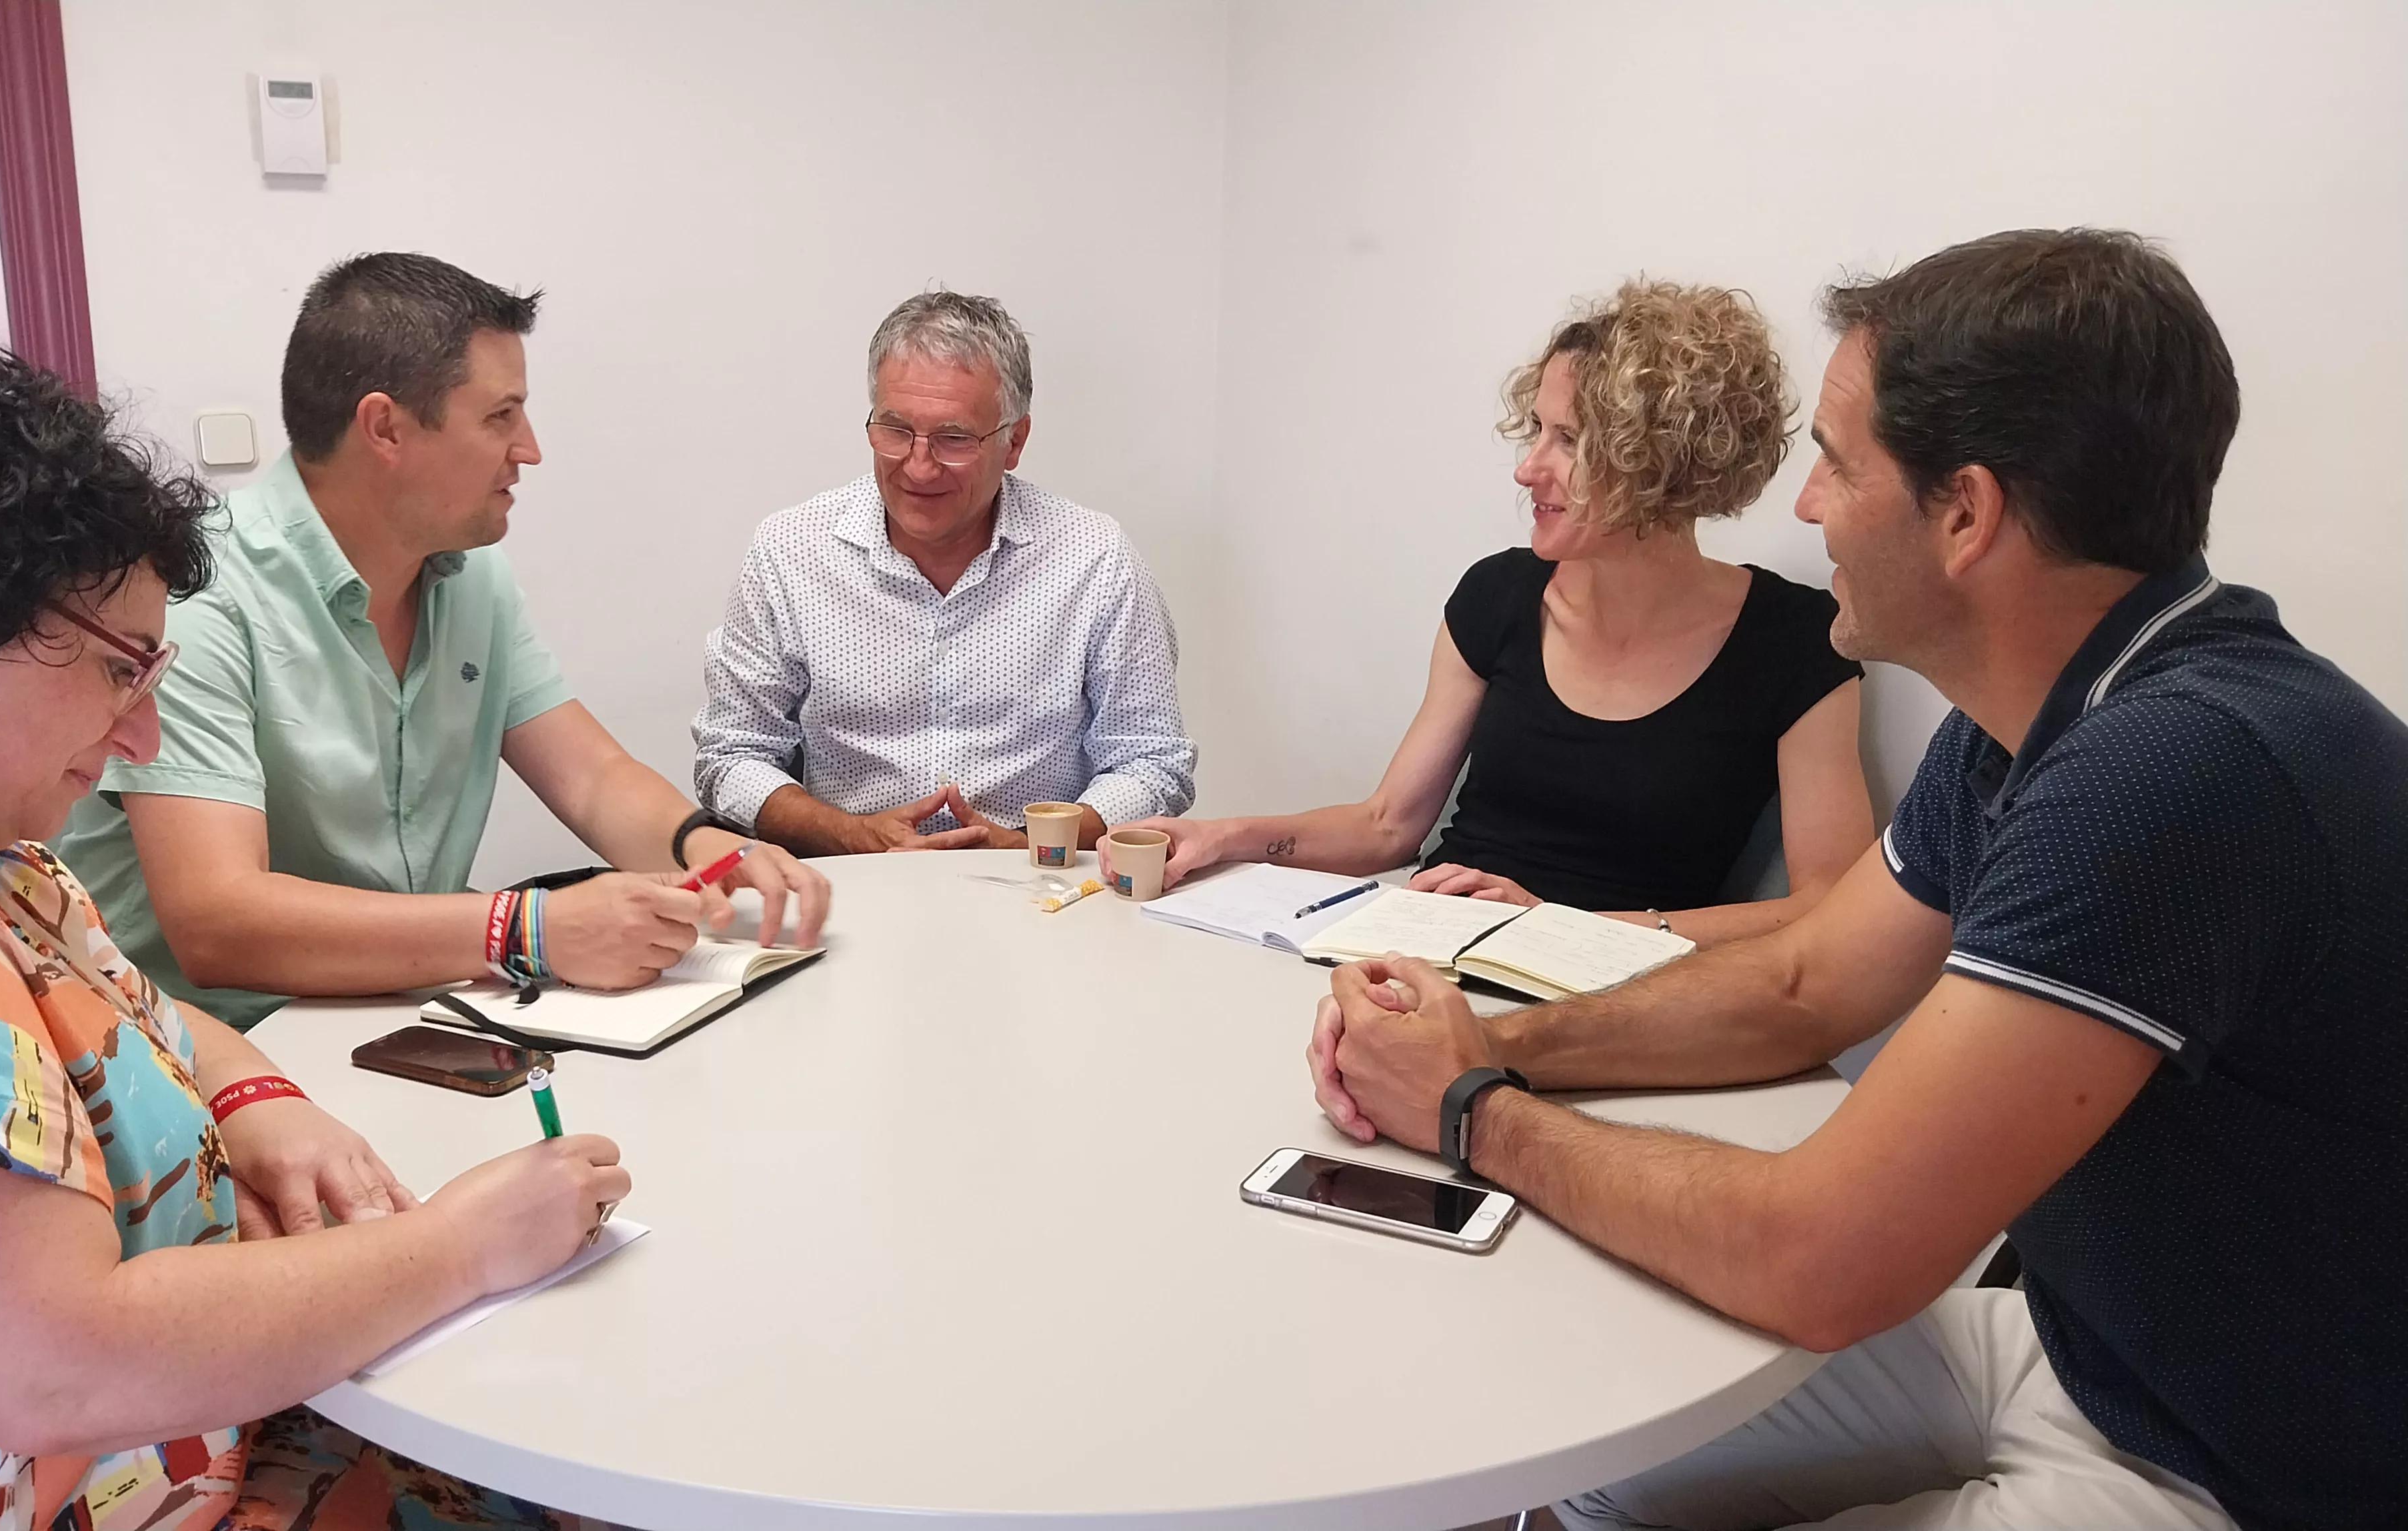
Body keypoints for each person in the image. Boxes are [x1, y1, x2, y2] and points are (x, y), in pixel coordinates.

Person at [1313, 231, 2405, 1529]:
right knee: (1583, 1446)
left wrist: (1472, 1106)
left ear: (1967, 512)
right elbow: (1801, 980)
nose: (1807, 507)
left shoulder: (2165, 773)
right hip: (2086, 1347)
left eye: (1836, 462)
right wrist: (1491, 1037)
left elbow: (1818, 1254)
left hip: (2245, 1466)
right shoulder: (2031, 713)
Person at [0, 346, 626, 1530]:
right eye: (120, 672)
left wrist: (248, 1101)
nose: (142, 734)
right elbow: (59, 1366)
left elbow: (123, 1001)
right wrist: (461, 1246)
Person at [55, 253, 828, 1030]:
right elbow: (218, 922)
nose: (529, 448)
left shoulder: (471, 575)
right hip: (208, 1056)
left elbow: (592, 778)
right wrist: (526, 929)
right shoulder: (200, 593)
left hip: (396, 1012)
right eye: (500, 416)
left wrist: (705, 846)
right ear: (386, 428)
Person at [1117, 281, 1871, 944]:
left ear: (1664, 459)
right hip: (1428, 945)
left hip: (1616, 991)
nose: (1527, 467)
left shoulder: (1798, 644)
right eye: (1536, 429)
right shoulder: (1500, 597)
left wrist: (1549, 927)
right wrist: (1227, 837)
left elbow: (1828, 905)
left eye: (1568, 439)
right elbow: (1389, 824)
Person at [690, 289, 1196, 858]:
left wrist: (1032, 845)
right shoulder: (791, 551)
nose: (919, 465)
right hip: (852, 887)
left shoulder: (1093, 557)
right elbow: (732, 756)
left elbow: (1151, 761)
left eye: (953, 438)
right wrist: (853, 836)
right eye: (895, 430)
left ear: (1015, 442)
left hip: (1040, 890)